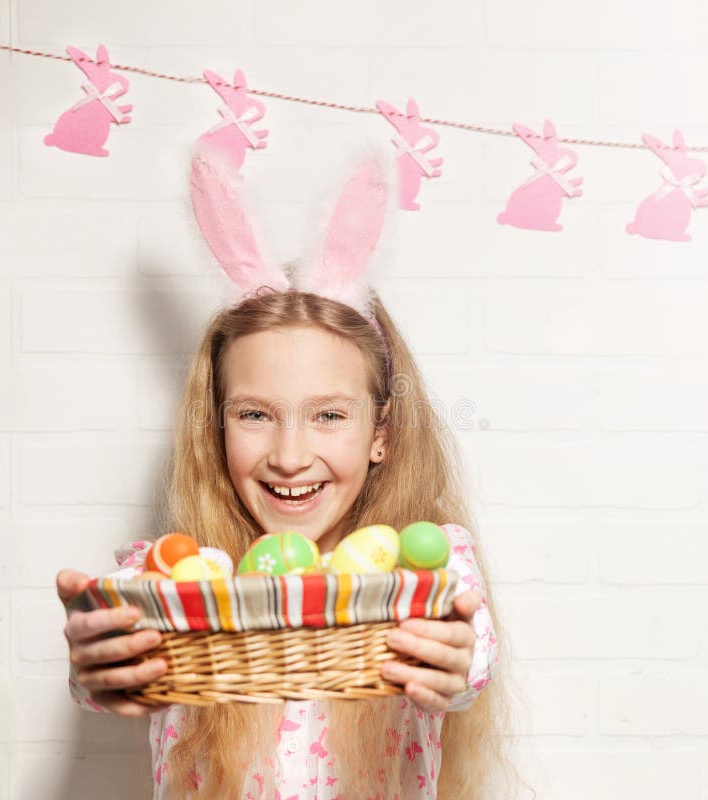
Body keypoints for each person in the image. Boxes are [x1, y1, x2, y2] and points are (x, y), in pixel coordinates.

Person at [56, 149, 520, 799]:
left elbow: (468, 650)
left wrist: (451, 660)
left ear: (381, 434)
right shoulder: (178, 576)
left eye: (328, 415)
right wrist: (100, 660)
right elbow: (115, 655)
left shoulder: (425, 575)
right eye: (254, 415)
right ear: (216, 429)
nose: (290, 455)